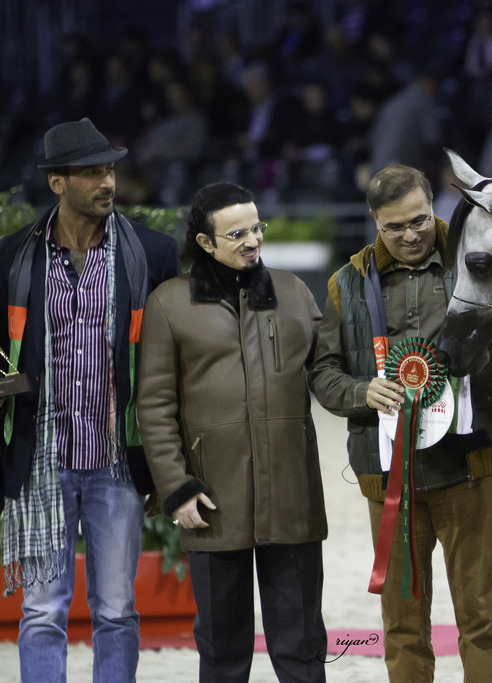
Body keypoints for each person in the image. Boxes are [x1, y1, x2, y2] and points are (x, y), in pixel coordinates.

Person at [309, 164, 492, 682]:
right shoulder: (346, 283)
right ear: (373, 220)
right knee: (401, 625)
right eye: (394, 227)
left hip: (469, 466)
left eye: (419, 220)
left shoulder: (476, 259)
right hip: (390, 478)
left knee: (483, 617)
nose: (411, 235)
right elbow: (323, 373)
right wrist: (362, 392)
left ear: (433, 205)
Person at [0, 117, 180, 681]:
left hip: (117, 459)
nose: (108, 182)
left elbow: (172, 360)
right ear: (57, 182)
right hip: (40, 458)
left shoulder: (152, 252)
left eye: (110, 170)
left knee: (117, 610)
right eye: (92, 172)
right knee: (41, 612)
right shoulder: (11, 257)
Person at [137, 182, 328, 682]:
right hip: (211, 500)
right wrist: (176, 486)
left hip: (291, 494)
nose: (253, 240)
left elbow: (330, 372)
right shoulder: (169, 303)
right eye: (237, 233)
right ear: (205, 242)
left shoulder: (293, 291)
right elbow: (154, 405)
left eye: (256, 227)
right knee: (222, 651)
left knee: (303, 644)